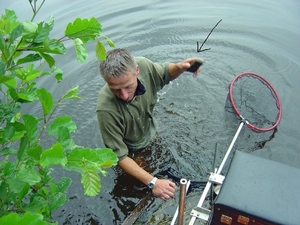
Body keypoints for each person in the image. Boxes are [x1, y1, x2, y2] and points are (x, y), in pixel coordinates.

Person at [96, 48, 202, 200]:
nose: (124, 95)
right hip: (131, 151)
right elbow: (117, 156)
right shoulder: (105, 109)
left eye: (128, 86)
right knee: (139, 186)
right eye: (116, 89)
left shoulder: (145, 66)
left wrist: (179, 68)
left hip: (150, 132)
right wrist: (153, 182)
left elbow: (165, 73)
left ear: (137, 71)